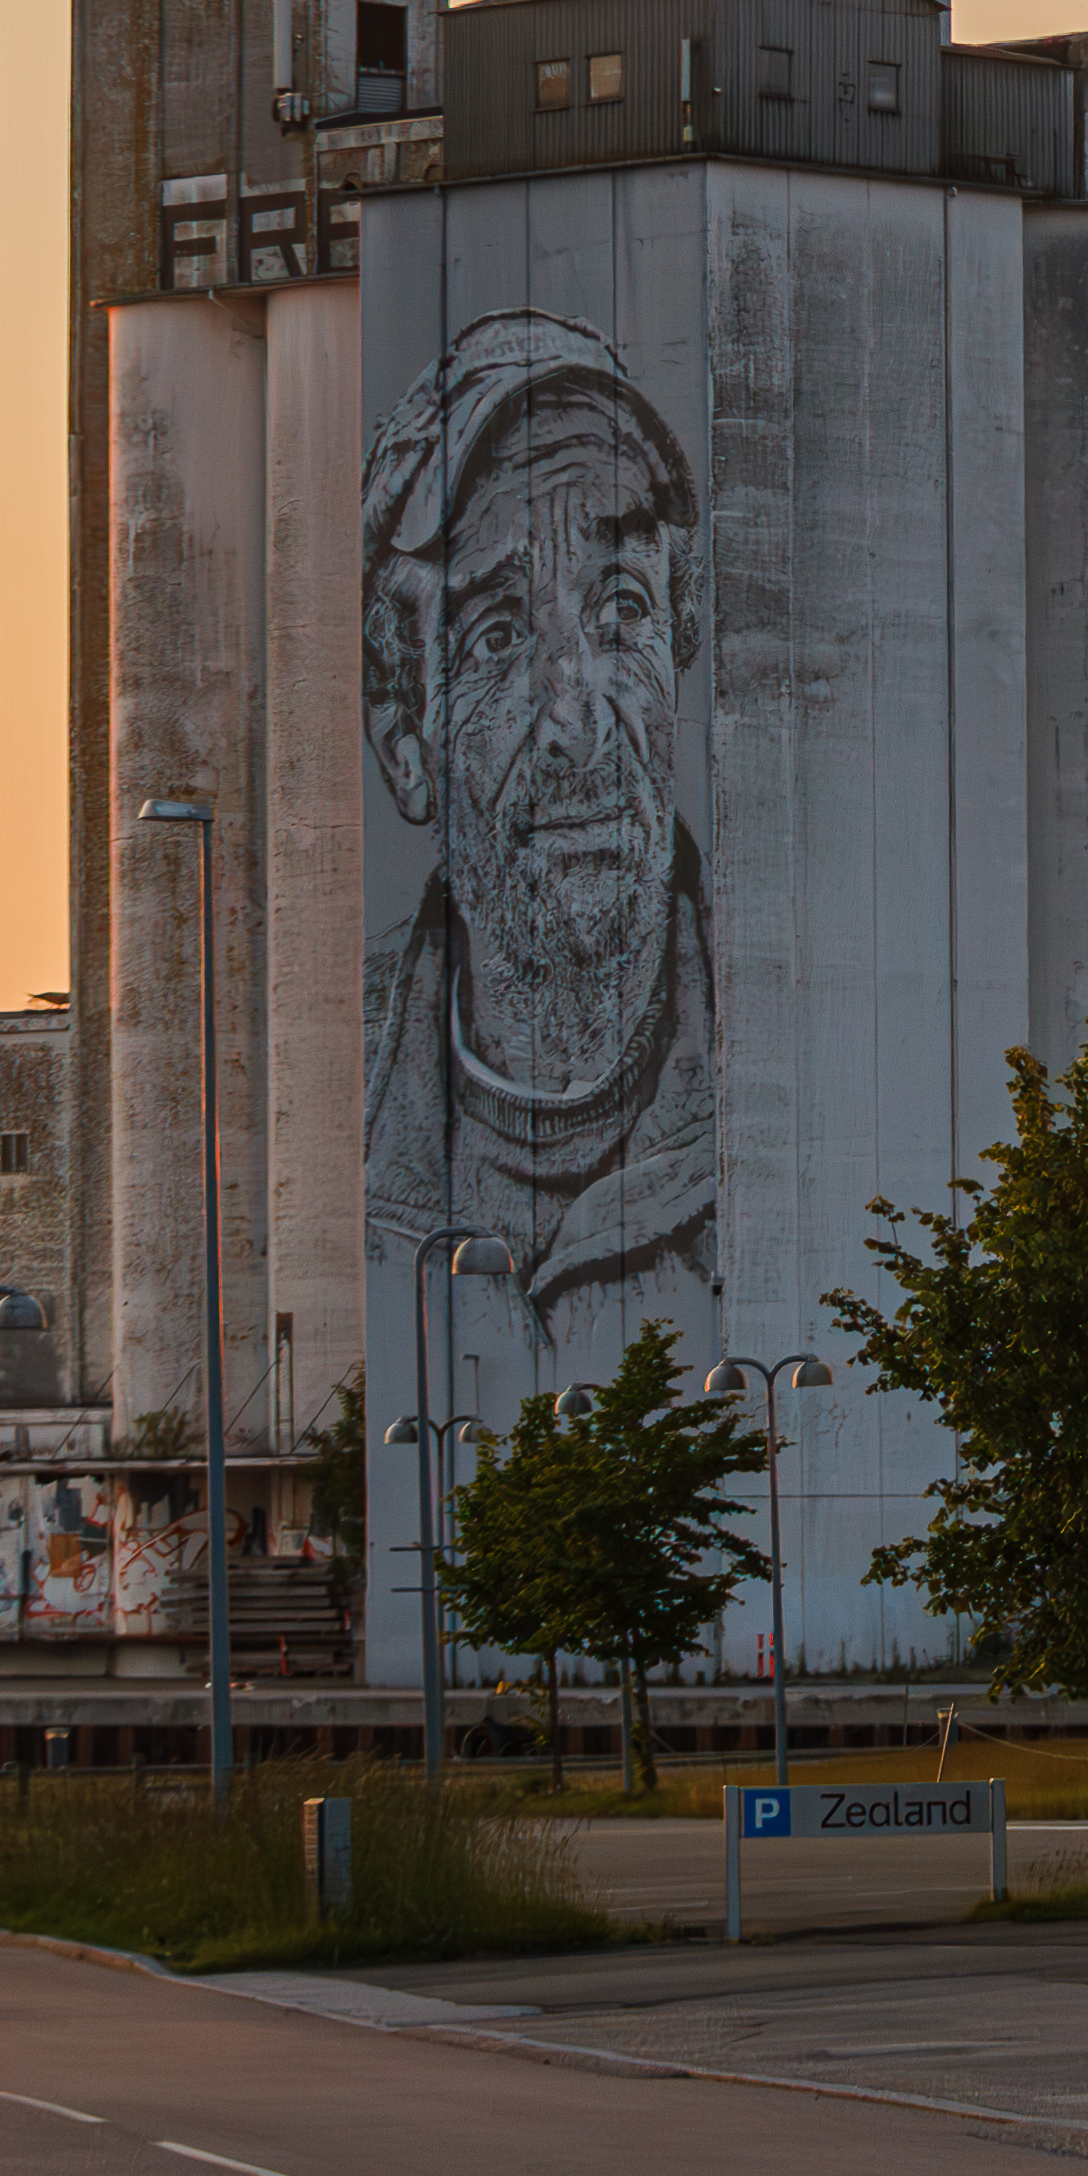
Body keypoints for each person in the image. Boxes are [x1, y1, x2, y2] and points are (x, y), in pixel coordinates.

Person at [358, 309, 718, 1381]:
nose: (576, 722)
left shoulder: (801, 1091)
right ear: (405, 741)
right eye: (500, 636)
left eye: (620, 609)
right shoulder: (333, 1116)